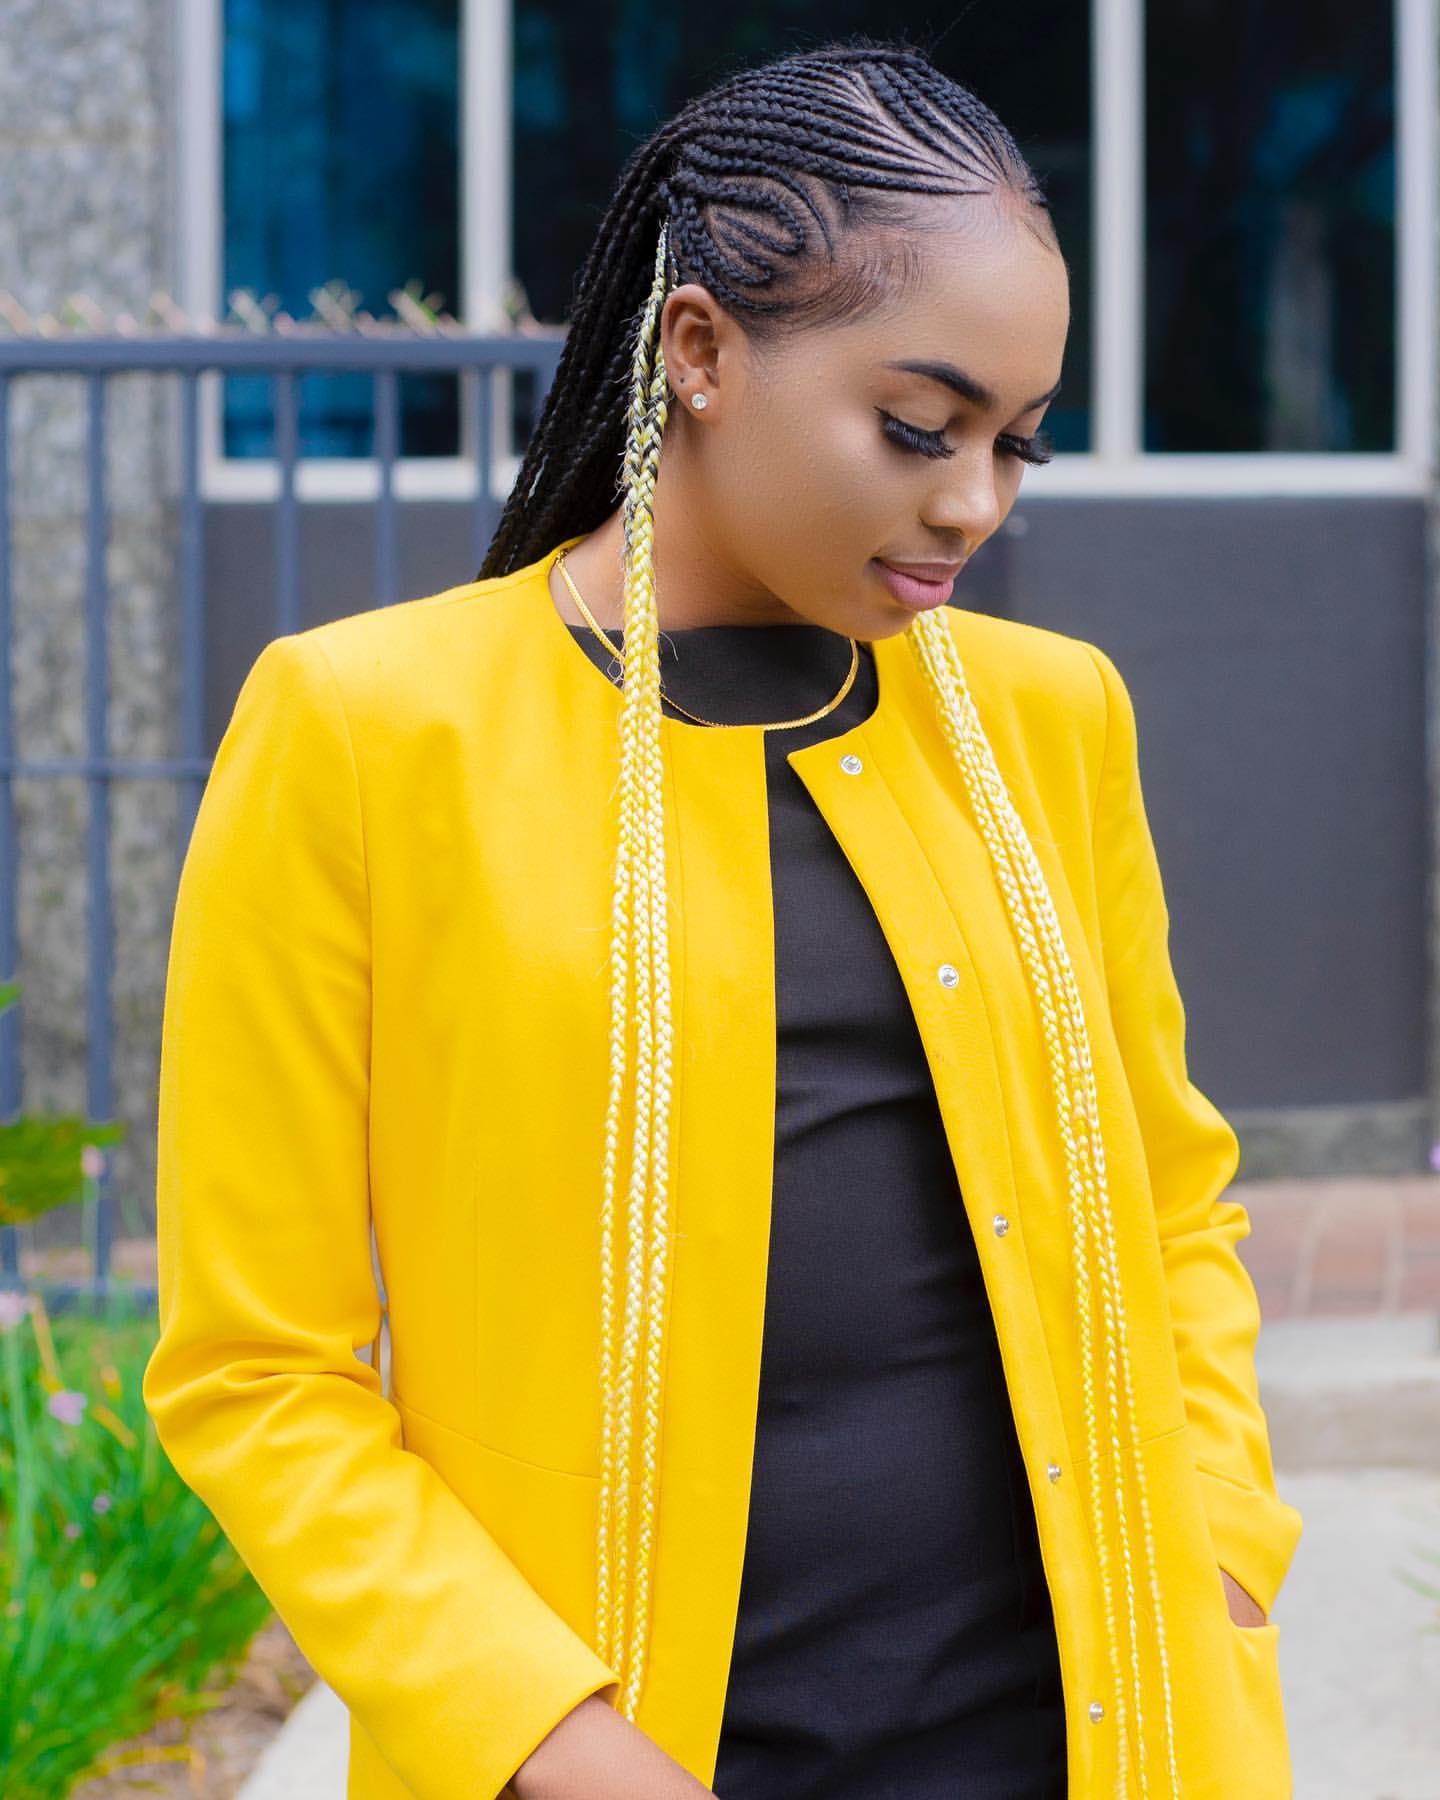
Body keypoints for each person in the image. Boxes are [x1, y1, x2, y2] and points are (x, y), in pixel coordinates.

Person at [144, 35, 1304, 1800]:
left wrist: (1216, 1536)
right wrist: (544, 1735)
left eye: (1017, 443)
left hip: (1104, 1733)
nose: (972, 501)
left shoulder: (1052, 717)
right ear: (697, 350)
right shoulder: (367, 735)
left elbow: (1169, 1200)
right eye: (917, 426)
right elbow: (256, 1368)